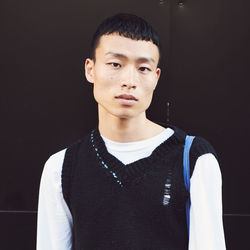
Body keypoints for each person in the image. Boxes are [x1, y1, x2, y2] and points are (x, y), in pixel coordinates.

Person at [36, 13, 226, 250]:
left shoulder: (194, 158)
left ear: (156, 78)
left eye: (143, 68)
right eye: (115, 64)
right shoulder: (61, 168)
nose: (129, 80)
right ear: (90, 69)